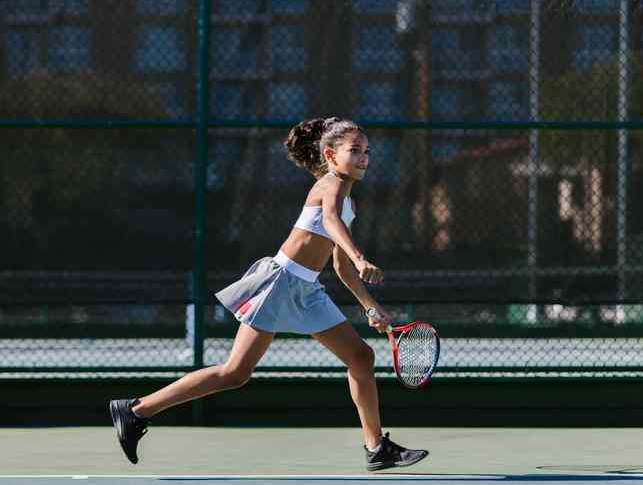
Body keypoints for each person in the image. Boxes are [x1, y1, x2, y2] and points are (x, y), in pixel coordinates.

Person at [109, 117, 429, 472]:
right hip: (279, 284)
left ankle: (376, 447)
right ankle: (136, 410)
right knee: (235, 373)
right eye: (354, 150)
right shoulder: (330, 185)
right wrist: (361, 255)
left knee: (360, 357)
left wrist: (371, 307)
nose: (363, 158)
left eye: (367, 151)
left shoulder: (348, 201)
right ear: (330, 155)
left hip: (307, 289)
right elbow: (332, 224)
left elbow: (339, 265)